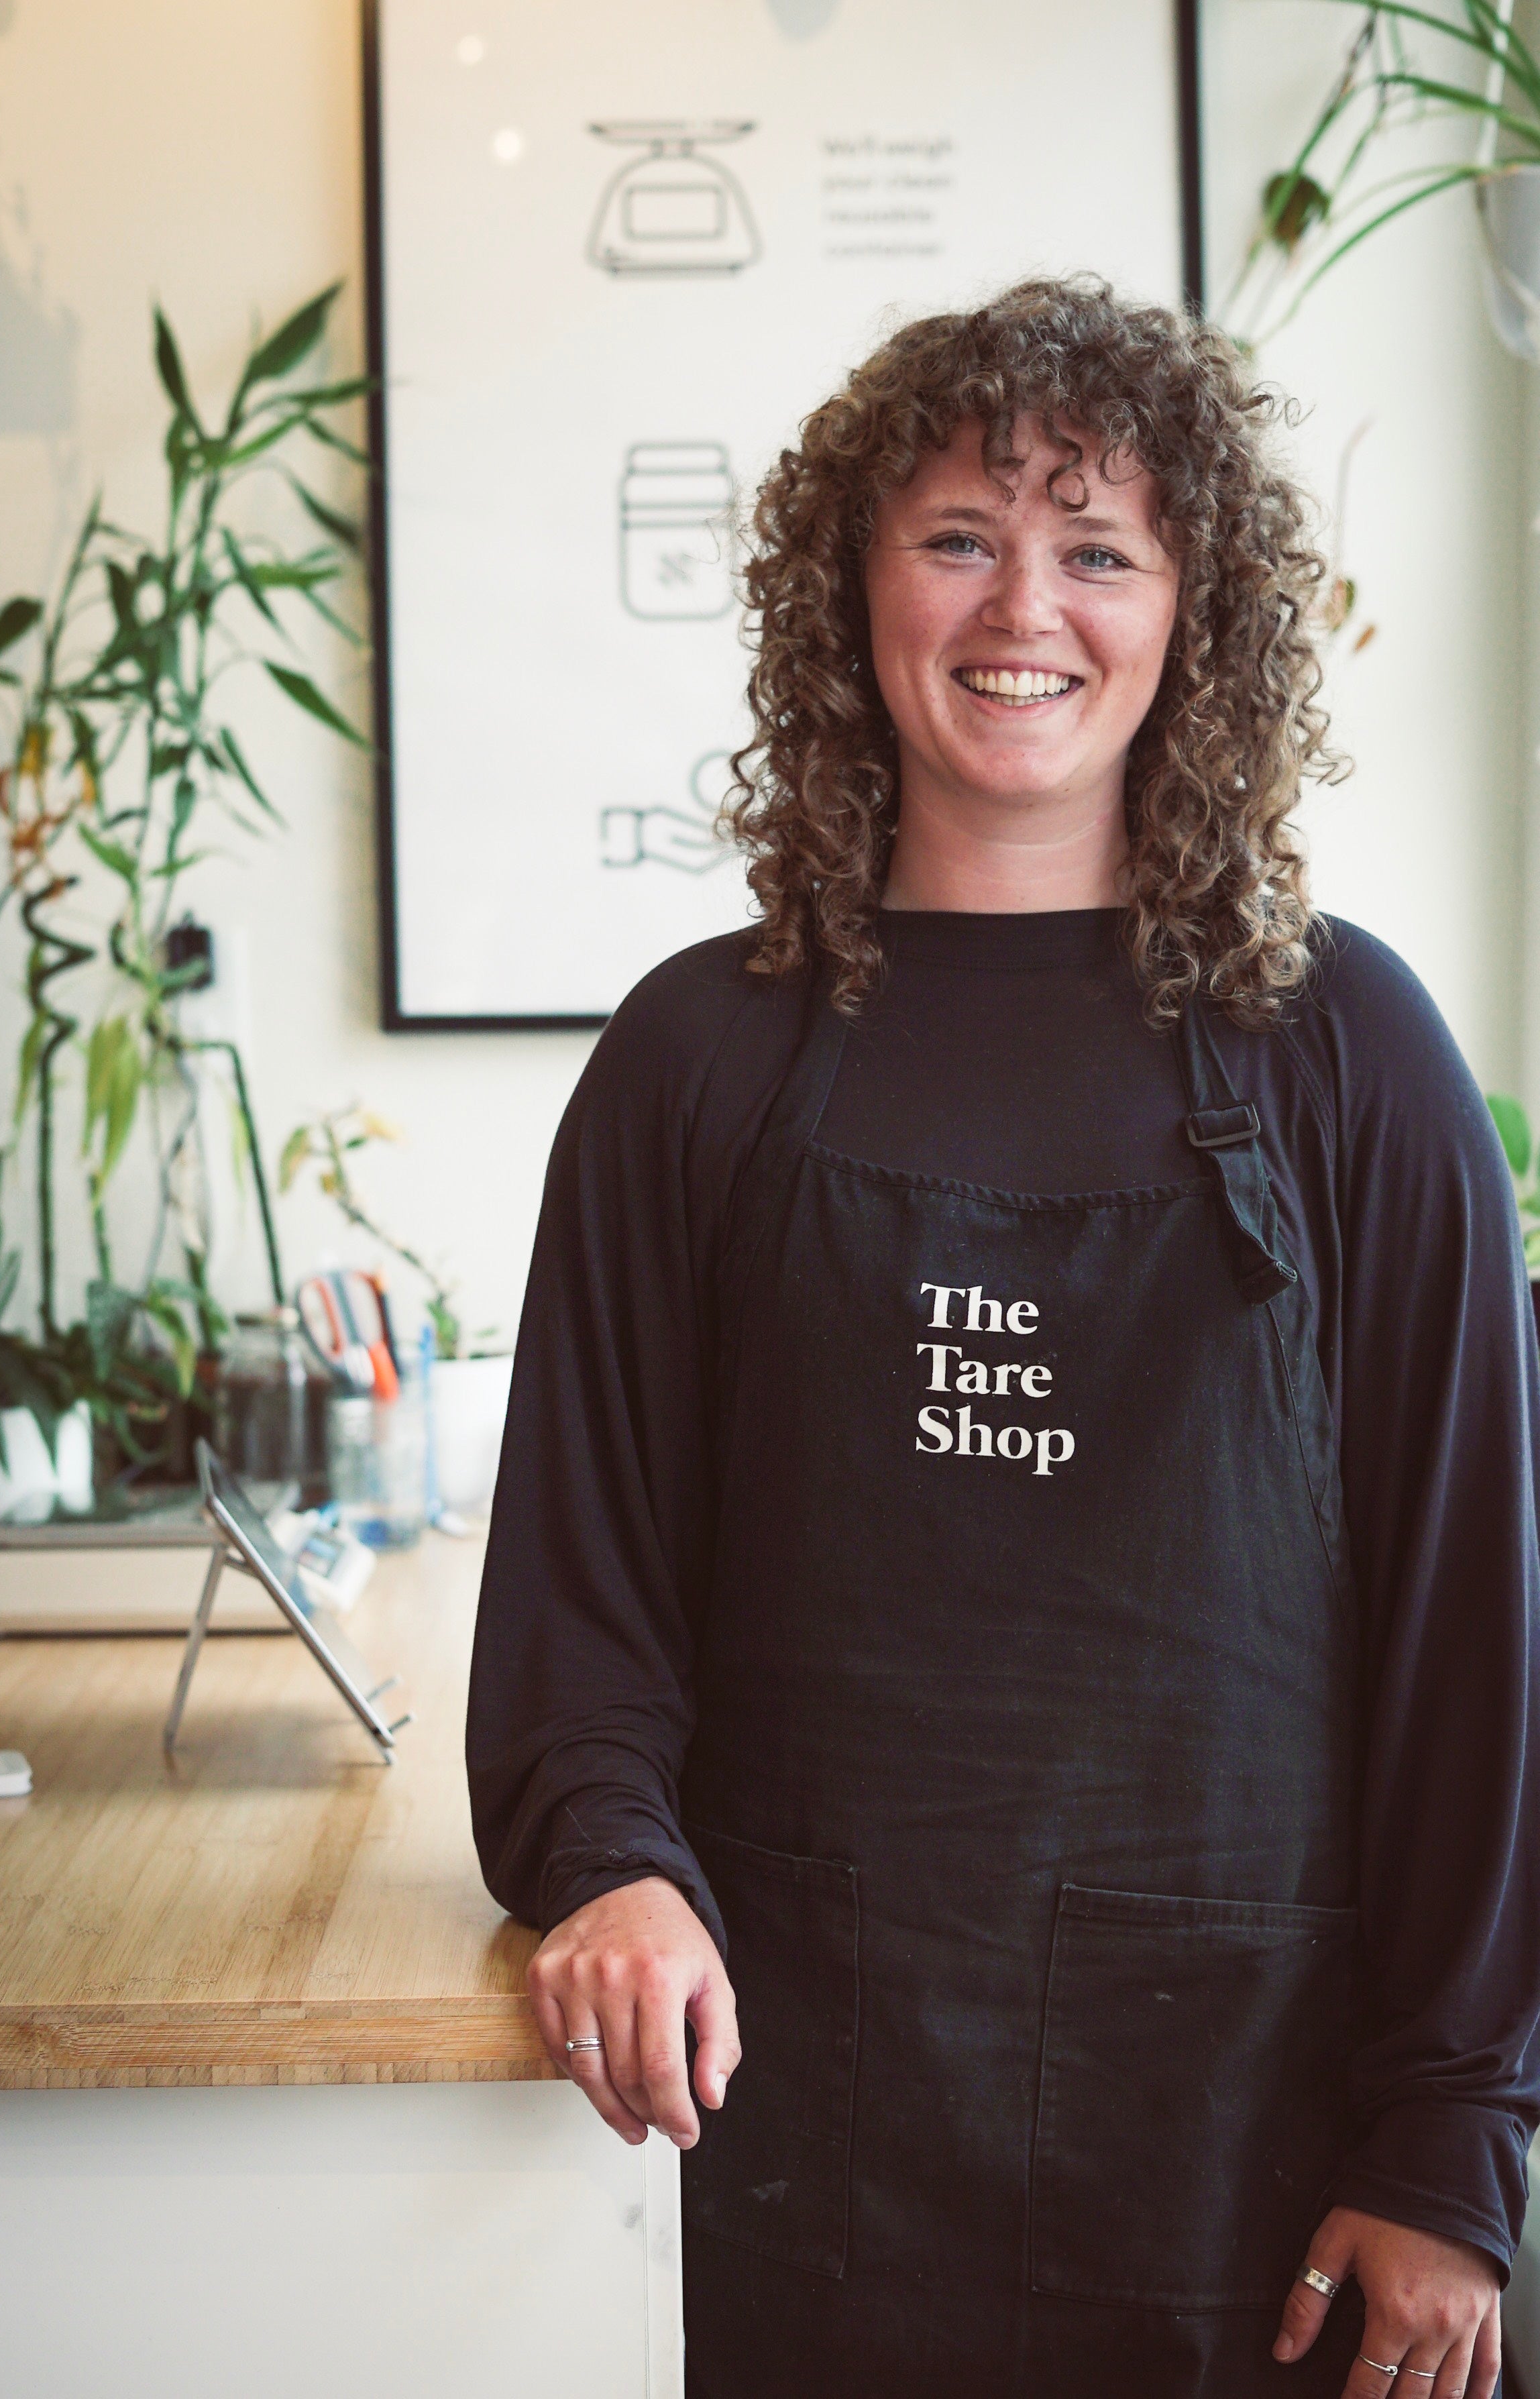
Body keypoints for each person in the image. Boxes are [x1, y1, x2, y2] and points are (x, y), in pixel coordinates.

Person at [465, 278, 1540, 2398]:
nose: (1019, 606)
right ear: (848, 586)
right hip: (798, 2155)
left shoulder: (1354, 1059)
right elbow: (582, 1601)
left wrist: (1453, 2138)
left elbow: (1475, 1645)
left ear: (1192, 615)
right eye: (958, 534)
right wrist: (612, 1869)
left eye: (1099, 549)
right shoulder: (697, 1059)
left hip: (1263, 2173)